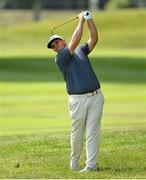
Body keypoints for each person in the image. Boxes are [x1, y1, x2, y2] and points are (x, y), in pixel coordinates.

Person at [47, 11, 104, 172]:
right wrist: (80, 22)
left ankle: (91, 165)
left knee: (93, 131)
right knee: (77, 132)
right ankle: (74, 162)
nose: (55, 46)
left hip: (96, 96)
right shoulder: (61, 58)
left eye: (56, 42)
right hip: (77, 100)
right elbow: (74, 40)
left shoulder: (80, 51)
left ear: (62, 41)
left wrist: (89, 19)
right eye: (53, 46)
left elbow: (94, 39)